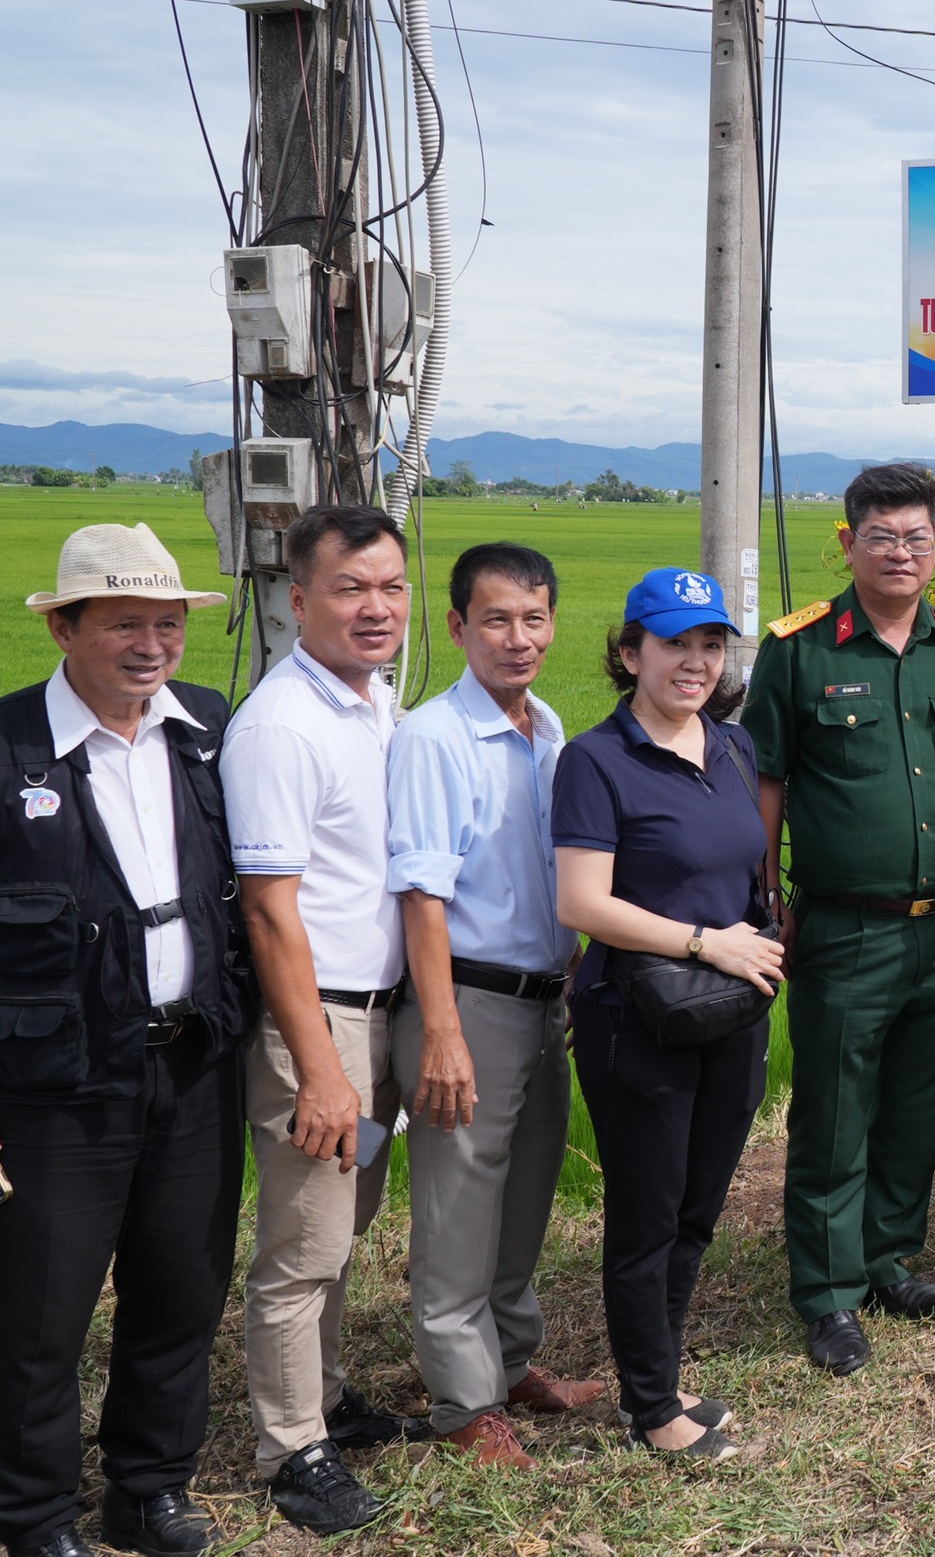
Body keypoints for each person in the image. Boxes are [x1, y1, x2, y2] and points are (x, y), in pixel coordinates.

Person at [0, 526, 254, 1557]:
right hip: (51, 1077)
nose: (152, 645)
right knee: (41, 1306)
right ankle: (31, 1513)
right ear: (63, 627)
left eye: (168, 623)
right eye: (124, 624)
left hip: (191, 1060)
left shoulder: (205, 729)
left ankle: (149, 1487)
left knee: (182, 1286)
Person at [745, 465, 935, 1375]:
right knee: (835, 1116)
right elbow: (767, 781)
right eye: (881, 536)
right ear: (848, 544)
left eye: (916, 537)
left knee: (919, 1107)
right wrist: (765, 901)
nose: (900, 552)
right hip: (844, 928)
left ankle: (887, 1261)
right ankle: (829, 1292)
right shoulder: (801, 650)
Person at [225, 505, 422, 1536]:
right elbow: (269, 910)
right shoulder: (281, 725)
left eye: (391, 587)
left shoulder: (375, 702)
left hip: (378, 1016)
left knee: (343, 1229)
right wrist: (320, 1069)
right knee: (303, 1245)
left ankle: (329, 1400)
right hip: (321, 1025)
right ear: (298, 601)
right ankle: (292, 1446)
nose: (375, 607)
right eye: (350, 589)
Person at [554, 569, 782, 1460]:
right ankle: (652, 1411)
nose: (695, 661)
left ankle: (661, 1374)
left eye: (710, 644)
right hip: (637, 1021)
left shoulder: (733, 747)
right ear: (629, 653)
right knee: (647, 1218)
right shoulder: (596, 760)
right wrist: (704, 943)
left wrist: (746, 948)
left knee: (695, 1210)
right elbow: (582, 902)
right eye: (673, 643)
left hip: (732, 1012)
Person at [386, 542, 602, 1468]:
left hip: (541, 998)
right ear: (457, 626)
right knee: (459, 1208)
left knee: (524, 1192)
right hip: (468, 1000)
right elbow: (421, 894)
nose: (519, 638)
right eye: (497, 619)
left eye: (534, 619)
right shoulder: (435, 736)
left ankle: (511, 1365)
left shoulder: (545, 728)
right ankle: (464, 1403)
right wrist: (441, 1032)